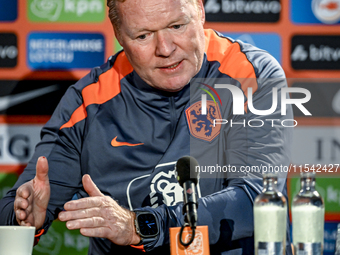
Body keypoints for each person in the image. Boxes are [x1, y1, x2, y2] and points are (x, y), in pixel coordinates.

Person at [0, 0, 293, 254]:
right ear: (119, 36)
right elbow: (15, 210)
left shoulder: (250, 73)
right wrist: (22, 220)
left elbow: (258, 199)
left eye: (177, 26)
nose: (165, 49)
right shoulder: (88, 101)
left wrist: (139, 226)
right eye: (143, 35)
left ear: (200, 12)